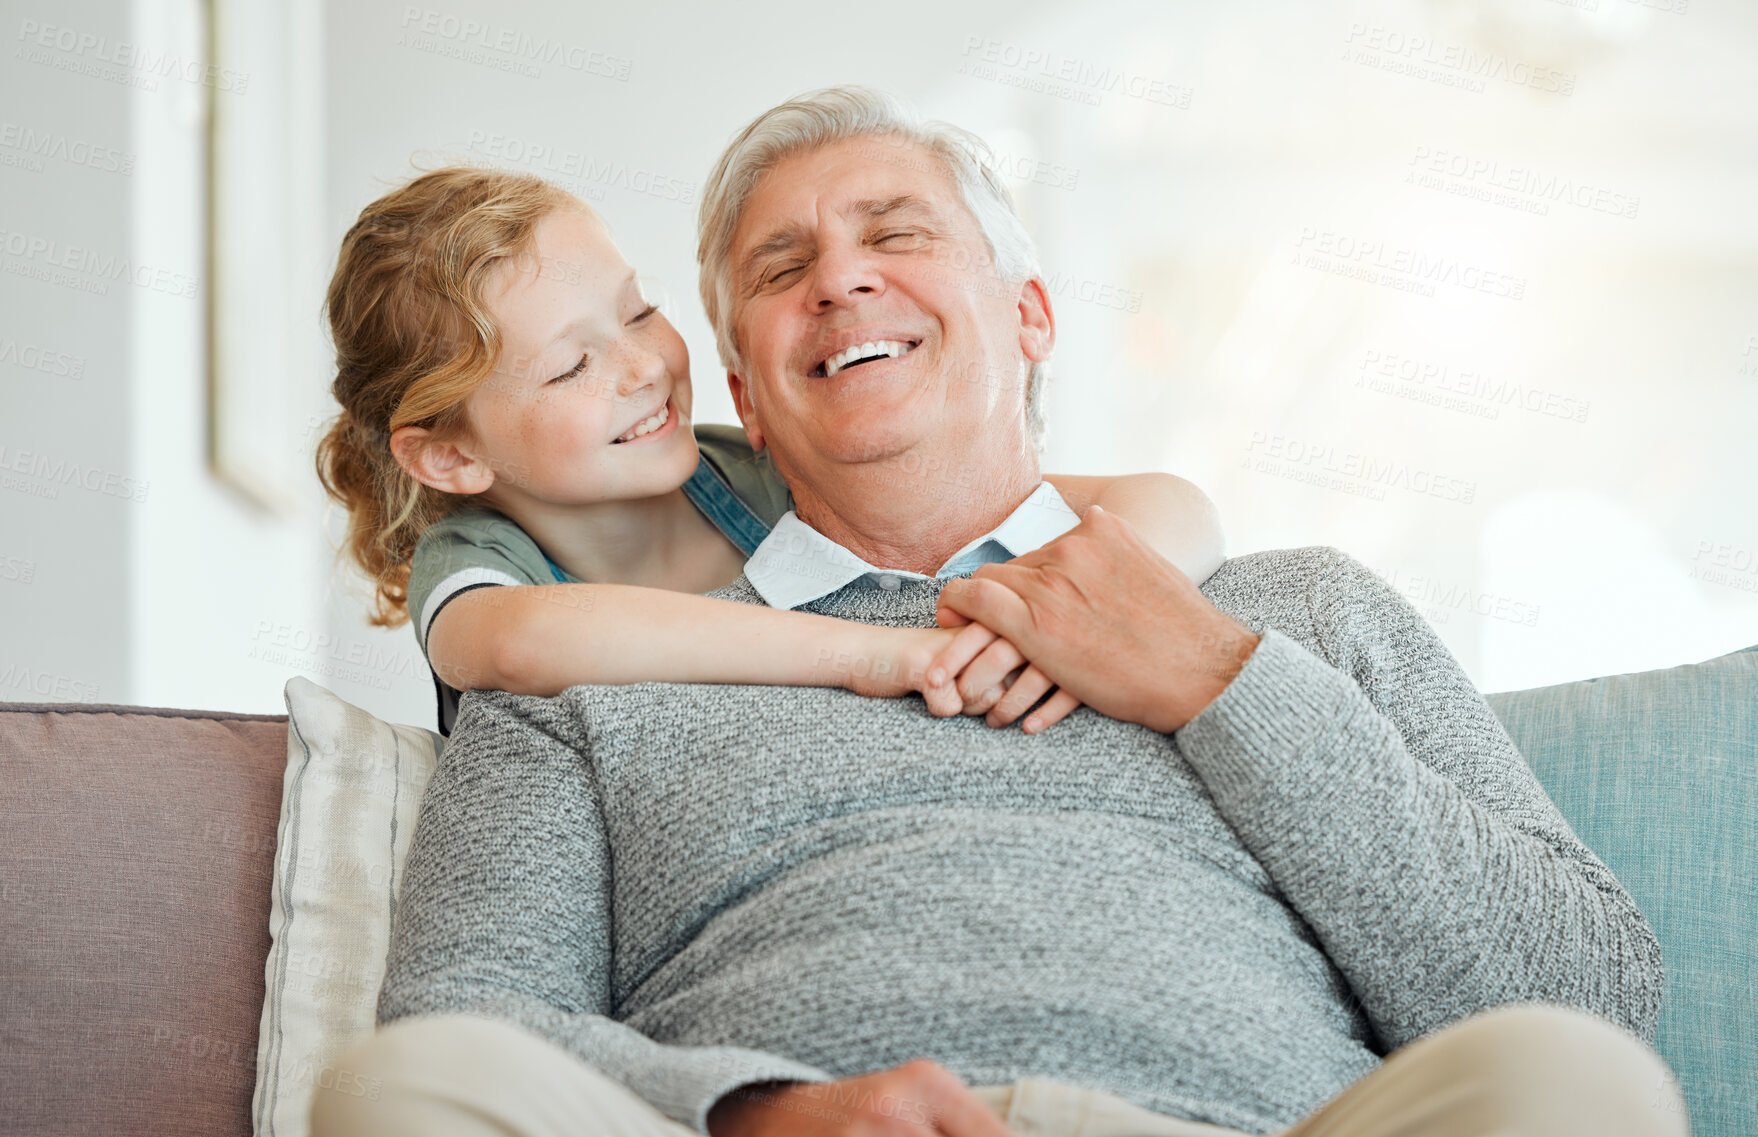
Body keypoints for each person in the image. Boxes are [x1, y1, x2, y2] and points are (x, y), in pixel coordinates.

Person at [312, 87, 1688, 1137]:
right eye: (780, 268)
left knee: (1571, 1074)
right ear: (738, 373)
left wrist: (1221, 679)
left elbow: (1584, 990)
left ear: (1028, 312)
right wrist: (761, 1109)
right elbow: (465, 1014)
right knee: (408, 1085)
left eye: (894, 235)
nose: (839, 280)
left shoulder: (1294, 610)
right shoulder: (594, 664)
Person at [316, 168, 1227, 737]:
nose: (644, 366)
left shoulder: (749, 471)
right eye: (569, 367)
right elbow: (515, 645)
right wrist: (880, 655)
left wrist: (1070, 615)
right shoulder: (480, 567)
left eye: (638, 311)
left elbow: (1158, 502)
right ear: (449, 458)